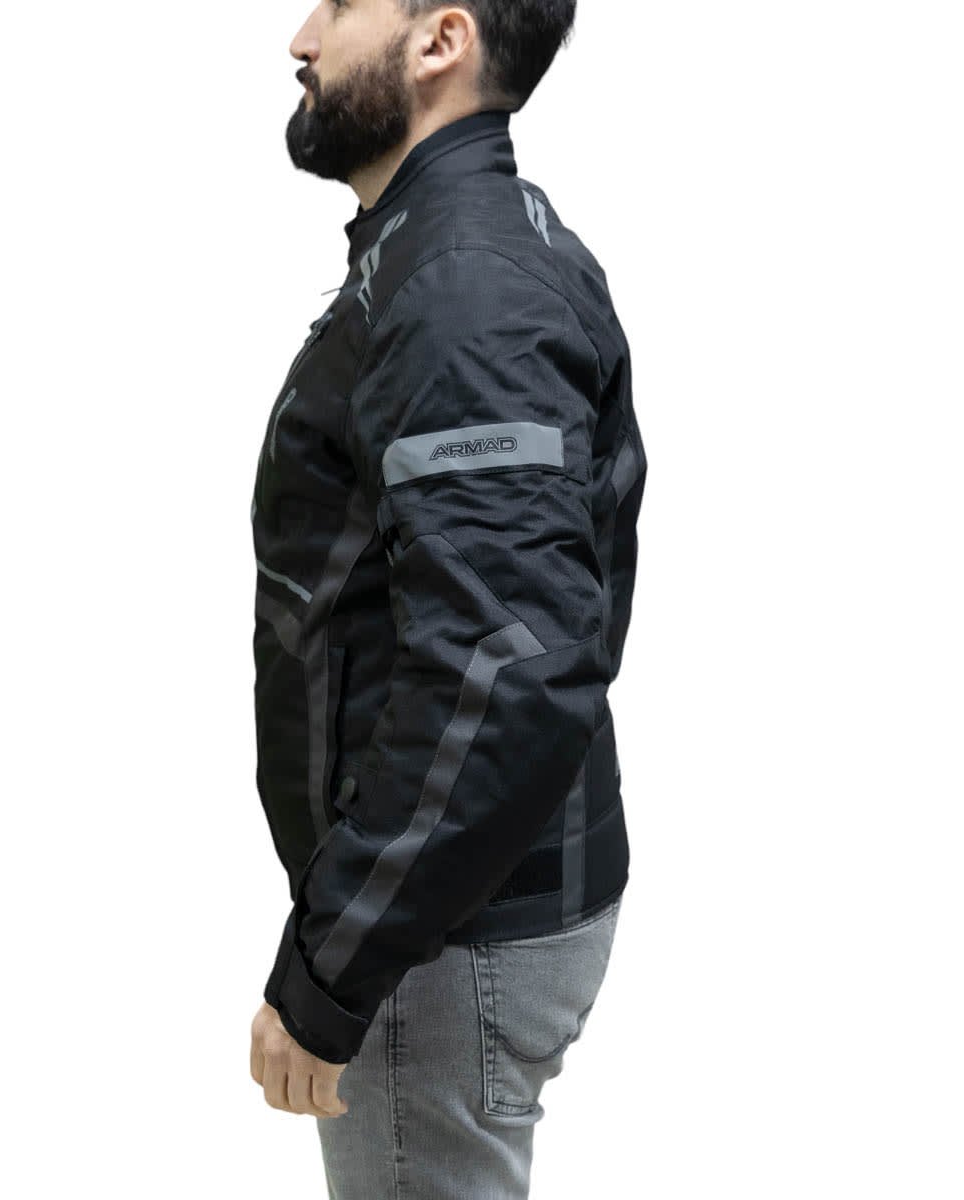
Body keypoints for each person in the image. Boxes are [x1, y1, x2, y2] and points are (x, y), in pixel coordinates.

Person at [247, 2, 648, 1195]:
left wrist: (332, 972)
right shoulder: (452, 252)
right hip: (449, 902)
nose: (301, 39)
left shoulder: (463, 287)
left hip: (446, 938)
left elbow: (506, 663)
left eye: (341, 5)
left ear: (441, 41)